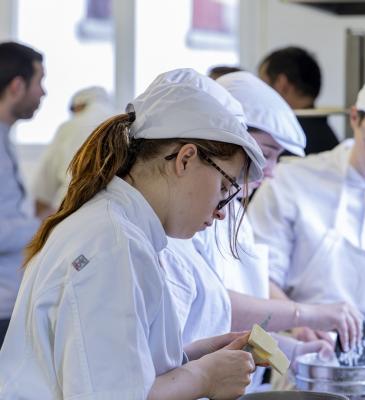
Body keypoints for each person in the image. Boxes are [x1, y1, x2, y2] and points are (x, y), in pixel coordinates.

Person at [0, 68, 268, 400]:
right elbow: (110, 395)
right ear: (185, 159)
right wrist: (204, 377)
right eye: (224, 188)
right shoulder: (112, 242)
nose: (222, 211)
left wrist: (194, 357)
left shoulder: (117, 228)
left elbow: (116, 367)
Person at [162, 72, 362, 356]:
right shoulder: (185, 213)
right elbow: (209, 304)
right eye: (266, 154)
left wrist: (290, 351)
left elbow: (236, 308)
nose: (269, 172)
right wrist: (302, 314)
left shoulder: (234, 212)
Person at [248, 70, 365, 346]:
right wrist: (297, 321)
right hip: (312, 347)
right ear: (354, 118)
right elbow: (258, 274)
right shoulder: (291, 181)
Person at [0, 41, 45, 347]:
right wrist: (43, 225)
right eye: (39, 82)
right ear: (17, 86)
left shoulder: (4, 137)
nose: (43, 92)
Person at [32, 86, 115, 218]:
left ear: (79, 106)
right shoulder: (121, 123)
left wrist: (42, 223)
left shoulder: (69, 127)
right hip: (114, 214)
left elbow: (44, 184)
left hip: (70, 209)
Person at [258, 46, 339, 155]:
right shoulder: (328, 136)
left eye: (262, 82)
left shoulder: (283, 141)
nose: (258, 91)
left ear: (281, 84)